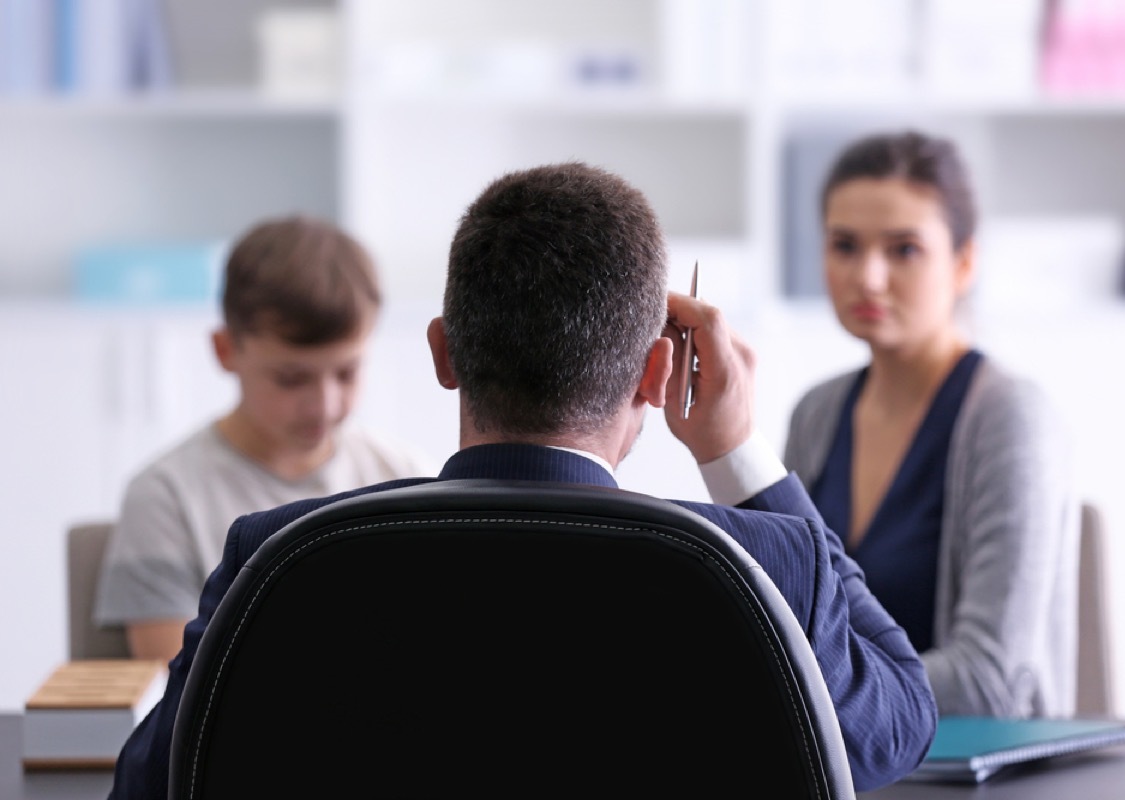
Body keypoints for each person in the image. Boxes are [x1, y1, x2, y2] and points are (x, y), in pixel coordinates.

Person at [107, 162, 936, 798]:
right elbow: (904, 711)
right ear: (654, 374)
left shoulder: (279, 556)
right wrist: (733, 450)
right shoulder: (768, 563)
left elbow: (154, 785)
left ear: (442, 353)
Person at [782, 131, 1079, 717]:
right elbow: (785, 620)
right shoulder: (816, 412)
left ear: (964, 261)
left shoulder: (1008, 416)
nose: (868, 276)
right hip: (847, 769)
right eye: (844, 245)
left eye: (904, 249)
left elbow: (990, 683)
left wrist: (816, 694)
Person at [94, 215, 429, 662]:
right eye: (292, 379)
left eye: (347, 373)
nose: (324, 405)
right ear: (225, 350)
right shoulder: (165, 498)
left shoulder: (409, 479)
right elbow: (178, 699)